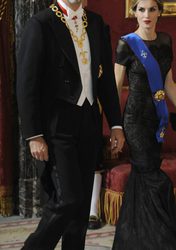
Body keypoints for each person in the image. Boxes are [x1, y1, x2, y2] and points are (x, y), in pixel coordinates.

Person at [16, 0, 125, 249]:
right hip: (57, 126)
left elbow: (106, 79)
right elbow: (26, 86)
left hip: (89, 122)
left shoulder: (96, 23)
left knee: (82, 202)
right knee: (68, 199)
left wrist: (116, 124)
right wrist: (34, 135)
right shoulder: (40, 24)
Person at [112, 0, 176, 249]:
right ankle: (165, 241)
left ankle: (135, 240)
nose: (146, 15)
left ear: (160, 12)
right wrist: (115, 126)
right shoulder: (127, 43)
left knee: (142, 178)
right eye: (141, 9)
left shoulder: (165, 41)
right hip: (135, 120)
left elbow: (168, 81)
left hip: (156, 119)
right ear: (134, 12)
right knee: (153, 177)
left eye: (152, 9)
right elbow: (115, 86)